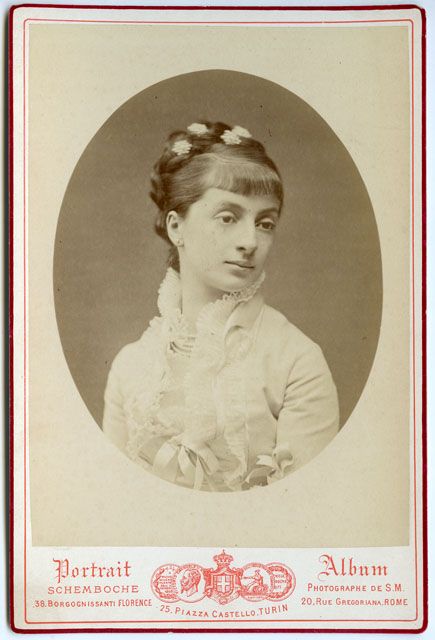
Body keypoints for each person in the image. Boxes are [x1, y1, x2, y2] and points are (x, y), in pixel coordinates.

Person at [102, 121, 339, 491]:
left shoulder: (297, 362)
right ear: (176, 227)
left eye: (265, 223)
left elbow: (306, 506)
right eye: (228, 217)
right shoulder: (130, 367)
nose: (250, 241)